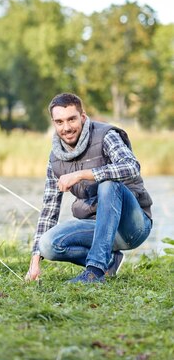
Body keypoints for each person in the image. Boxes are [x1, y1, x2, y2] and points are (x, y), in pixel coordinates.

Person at [25, 93, 153, 283]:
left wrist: (81, 174)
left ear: (82, 117)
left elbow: (131, 166)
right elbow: (49, 210)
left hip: (132, 226)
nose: (66, 127)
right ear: (53, 123)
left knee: (109, 185)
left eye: (71, 119)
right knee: (48, 245)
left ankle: (94, 272)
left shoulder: (106, 136)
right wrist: (35, 262)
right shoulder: (55, 159)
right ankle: (109, 261)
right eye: (59, 122)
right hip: (97, 226)